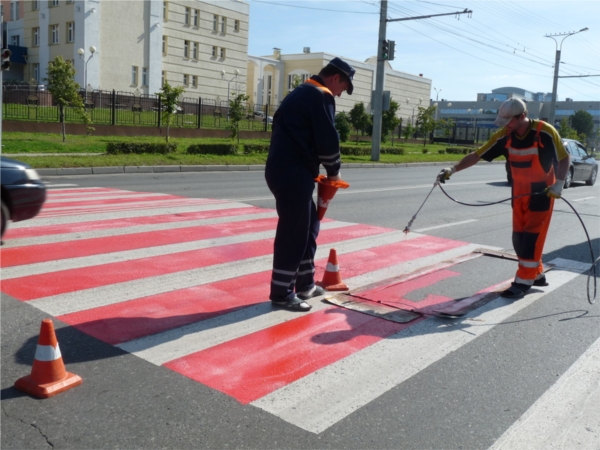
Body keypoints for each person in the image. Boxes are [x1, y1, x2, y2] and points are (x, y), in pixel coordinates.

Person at [435, 97, 570, 299]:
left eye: (510, 122)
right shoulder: (504, 136)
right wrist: (452, 169)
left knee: (531, 239)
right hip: (518, 194)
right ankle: (537, 274)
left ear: (522, 116)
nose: (507, 126)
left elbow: (564, 157)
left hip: (541, 194)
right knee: (518, 238)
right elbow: (477, 154)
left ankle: (523, 282)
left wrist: (559, 183)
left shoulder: (545, 131)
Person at [265, 57, 355, 311]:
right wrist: (334, 172)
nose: (340, 94)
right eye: (343, 87)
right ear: (336, 78)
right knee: (294, 233)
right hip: (293, 173)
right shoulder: (320, 95)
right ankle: (282, 293)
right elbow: (327, 138)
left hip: (289, 171)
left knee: (309, 227)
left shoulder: (302, 91)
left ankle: (305, 284)